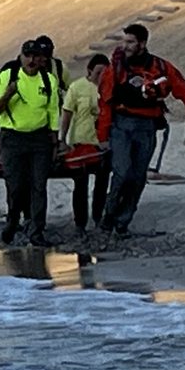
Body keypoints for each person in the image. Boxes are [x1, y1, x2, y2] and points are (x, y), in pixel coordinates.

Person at [99, 23, 185, 237]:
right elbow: (105, 102)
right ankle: (109, 217)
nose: (126, 46)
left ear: (142, 43)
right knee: (122, 173)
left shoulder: (161, 68)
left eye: (131, 42)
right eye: (125, 41)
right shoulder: (114, 69)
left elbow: (184, 92)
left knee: (138, 176)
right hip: (121, 126)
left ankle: (123, 221)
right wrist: (103, 135)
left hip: (147, 127)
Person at [0, 38, 63, 246]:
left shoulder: (48, 80)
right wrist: (8, 94)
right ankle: (13, 221)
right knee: (16, 186)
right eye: (27, 55)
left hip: (40, 138)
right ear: (21, 56)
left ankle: (36, 230)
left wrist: (55, 142)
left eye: (35, 56)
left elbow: (53, 111)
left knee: (39, 185)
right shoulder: (8, 76)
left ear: (42, 59)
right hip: (13, 138)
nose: (31, 60)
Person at [59, 54, 112, 235]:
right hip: (80, 143)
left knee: (102, 183)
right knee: (80, 185)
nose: (101, 76)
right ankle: (80, 222)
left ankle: (98, 217)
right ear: (89, 71)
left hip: (102, 144)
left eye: (105, 72)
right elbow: (67, 113)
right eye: (98, 72)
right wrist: (63, 139)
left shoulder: (111, 88)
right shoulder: (77, 87)